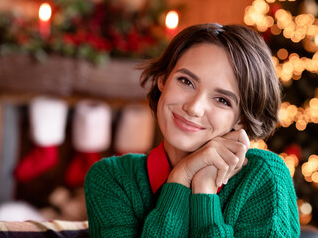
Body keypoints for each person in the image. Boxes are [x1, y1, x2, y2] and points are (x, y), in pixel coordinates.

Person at [84, 23, 300, 237]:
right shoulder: (111, 178)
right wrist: (180, 178)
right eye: (186, 81)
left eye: (222, 100)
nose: (194, 108)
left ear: (242, 119)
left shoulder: (264, 177)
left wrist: (204, 190)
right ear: (163, 79)